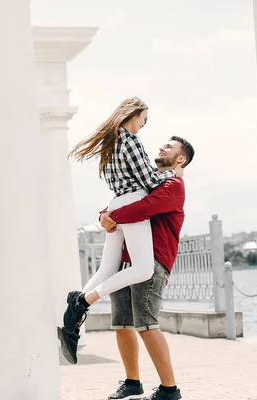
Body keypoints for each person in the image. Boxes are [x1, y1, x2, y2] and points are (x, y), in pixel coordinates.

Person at [58, 98, 183, 359]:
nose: (143, 126)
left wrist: (109, 213)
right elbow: (149, 180)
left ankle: (71, 323)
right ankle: (83, 302)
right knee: (143, 268)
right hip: (133, 201)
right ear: (133, 113)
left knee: (106, 269)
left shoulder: (110, 142)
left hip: (115, 203)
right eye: (143, 119)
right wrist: (172, 175)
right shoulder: (131, 141)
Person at [101, 136, 193, 400]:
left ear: (180, 159)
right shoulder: (147, 180)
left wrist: (112, 217)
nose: (162, 147)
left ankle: (169, 389)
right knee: (121, 324)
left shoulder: (174, 185)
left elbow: (144, 208)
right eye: (163, 144)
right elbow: (122, 199)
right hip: (126, 259)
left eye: (170, 147)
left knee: (146, 324)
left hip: (152, 262)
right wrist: (103, 216)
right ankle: (132, 383)